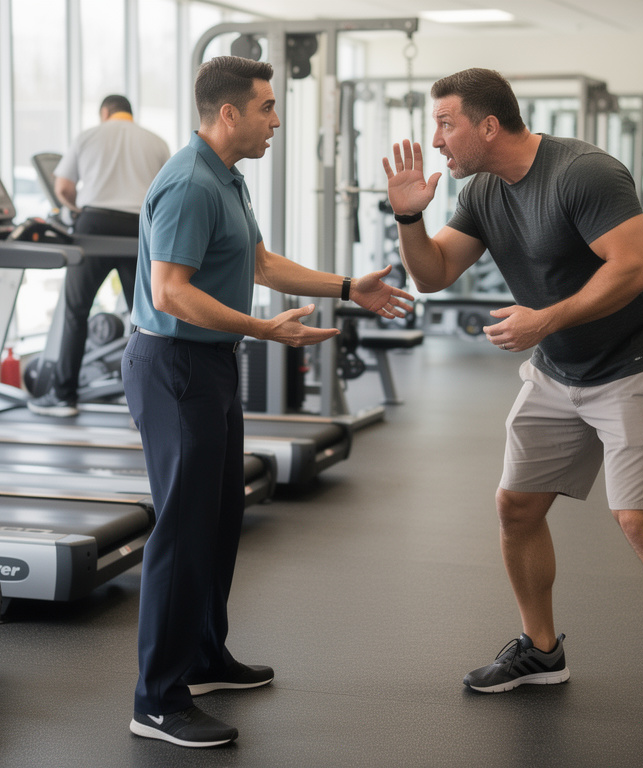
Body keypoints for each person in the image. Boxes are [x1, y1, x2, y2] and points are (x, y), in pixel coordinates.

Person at [382, 68, 643, 743]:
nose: (436, 140)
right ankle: (541, 649)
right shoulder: (483, 191)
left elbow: (635, 268)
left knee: (639, 522)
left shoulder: (584, 173)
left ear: (488, 125)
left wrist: (544, 319)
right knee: (515, 505)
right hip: (558, 368)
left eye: (446, 123)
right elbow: (432, 275)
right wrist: (408, 216)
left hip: (631, 362)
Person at [124, 55, 414, 749]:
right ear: (230, 113)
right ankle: (156, 700)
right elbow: (171, 292)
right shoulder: (191, 183)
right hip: (175, 367)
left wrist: (349, 288)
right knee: (182, 529)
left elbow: (262, 264)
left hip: (211, 365)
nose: (276, 120)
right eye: (267, 108)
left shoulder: (227, 179)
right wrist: (262, 328)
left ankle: (202, 656)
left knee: (220, 519)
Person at [27, 94, 172, 417]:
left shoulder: (88, 136)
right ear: (129, 114)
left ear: (105, 113)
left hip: (94, 224)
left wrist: (77, 211)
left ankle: (63, 397)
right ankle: (153, 398)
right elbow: (167, 191)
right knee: (146, 318)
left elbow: (63, 188)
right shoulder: (156, 141)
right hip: (138, 227)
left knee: (76, 310)